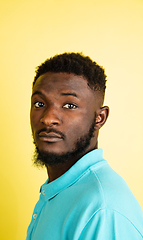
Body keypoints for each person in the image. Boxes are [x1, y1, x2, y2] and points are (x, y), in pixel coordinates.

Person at [26, 52, 143, 240]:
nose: (47, 118)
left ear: (100, 118)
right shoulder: (59, 189)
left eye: (70, 105)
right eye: (39, 103)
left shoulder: (103, 211)